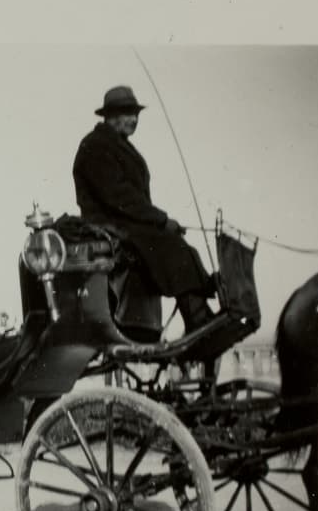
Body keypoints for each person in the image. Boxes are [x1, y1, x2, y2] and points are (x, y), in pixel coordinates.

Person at [72, 85, 218, 334]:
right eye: (127, 113)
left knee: (174, 242)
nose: (133, 119)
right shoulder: (96, 146)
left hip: (125, 222)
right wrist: (160, 220)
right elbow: (118, 196)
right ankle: (197, 318)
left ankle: (197, 310)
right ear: (110, 116)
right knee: (171, 246)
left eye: (135, 113)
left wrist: (160, 221)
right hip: (108, 224)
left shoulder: (117, 144)